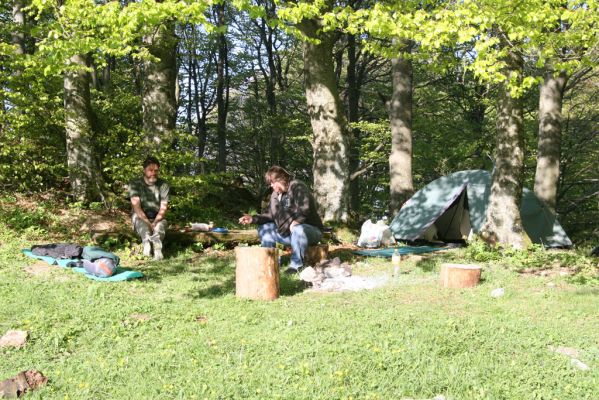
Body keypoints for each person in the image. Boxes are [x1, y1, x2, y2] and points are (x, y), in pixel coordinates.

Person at [239, 166, 323, 274]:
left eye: (273, 183)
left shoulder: (297, 186)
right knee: (265, 228)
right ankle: (270, 262)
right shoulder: (275, 195)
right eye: (270, 184)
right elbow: (270, 215)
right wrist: (253, 219)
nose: (271, 186)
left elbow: (304, 209)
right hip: (289, 233)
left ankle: (296, 266)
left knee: (298, 229)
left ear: (281, 179)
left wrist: (297, 221)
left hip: (310, 231)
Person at [128, 156, 170, 260]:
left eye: (156, 170)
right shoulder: (135, 184)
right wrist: (148, 223)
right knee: (144, 228)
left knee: (160, 228)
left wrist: (155, 222)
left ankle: (156, 248)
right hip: (140, 217)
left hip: (157, 217)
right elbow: (137, 208)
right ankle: (147, 245)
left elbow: (163, 208)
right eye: (150, 170)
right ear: (144, 170)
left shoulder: (163, 185)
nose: (153, 173)